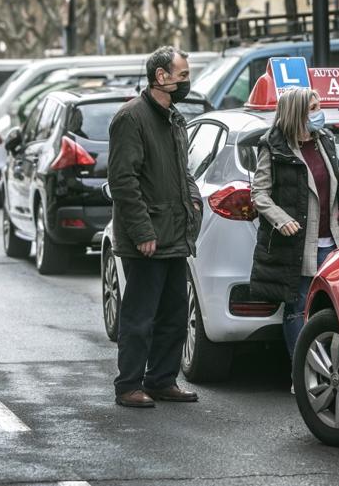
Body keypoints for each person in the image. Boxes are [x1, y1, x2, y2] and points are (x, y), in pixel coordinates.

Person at [108, 46, 202, 408]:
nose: (186, 82)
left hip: (176, 235)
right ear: (160, 77)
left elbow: (183, 172)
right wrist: (143, 232)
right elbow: (123, 181)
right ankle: (128, 385)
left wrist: (192, 201)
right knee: (139, 317)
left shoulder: (174, 117)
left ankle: (162, 380)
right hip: (147, 240)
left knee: (174, 315)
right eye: (182, 76)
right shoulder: (130, 118)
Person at [250, 88, 339, 364]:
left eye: (319, 107)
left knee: (332, 309)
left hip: (333, 244)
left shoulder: (325, 140)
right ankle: (301, 371)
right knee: (299, 307)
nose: (319, 114)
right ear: (297, 113)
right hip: (298, 245)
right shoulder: (273, 145)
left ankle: (330, 365)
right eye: (313, 108)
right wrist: (282, 220)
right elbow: (259, 194)